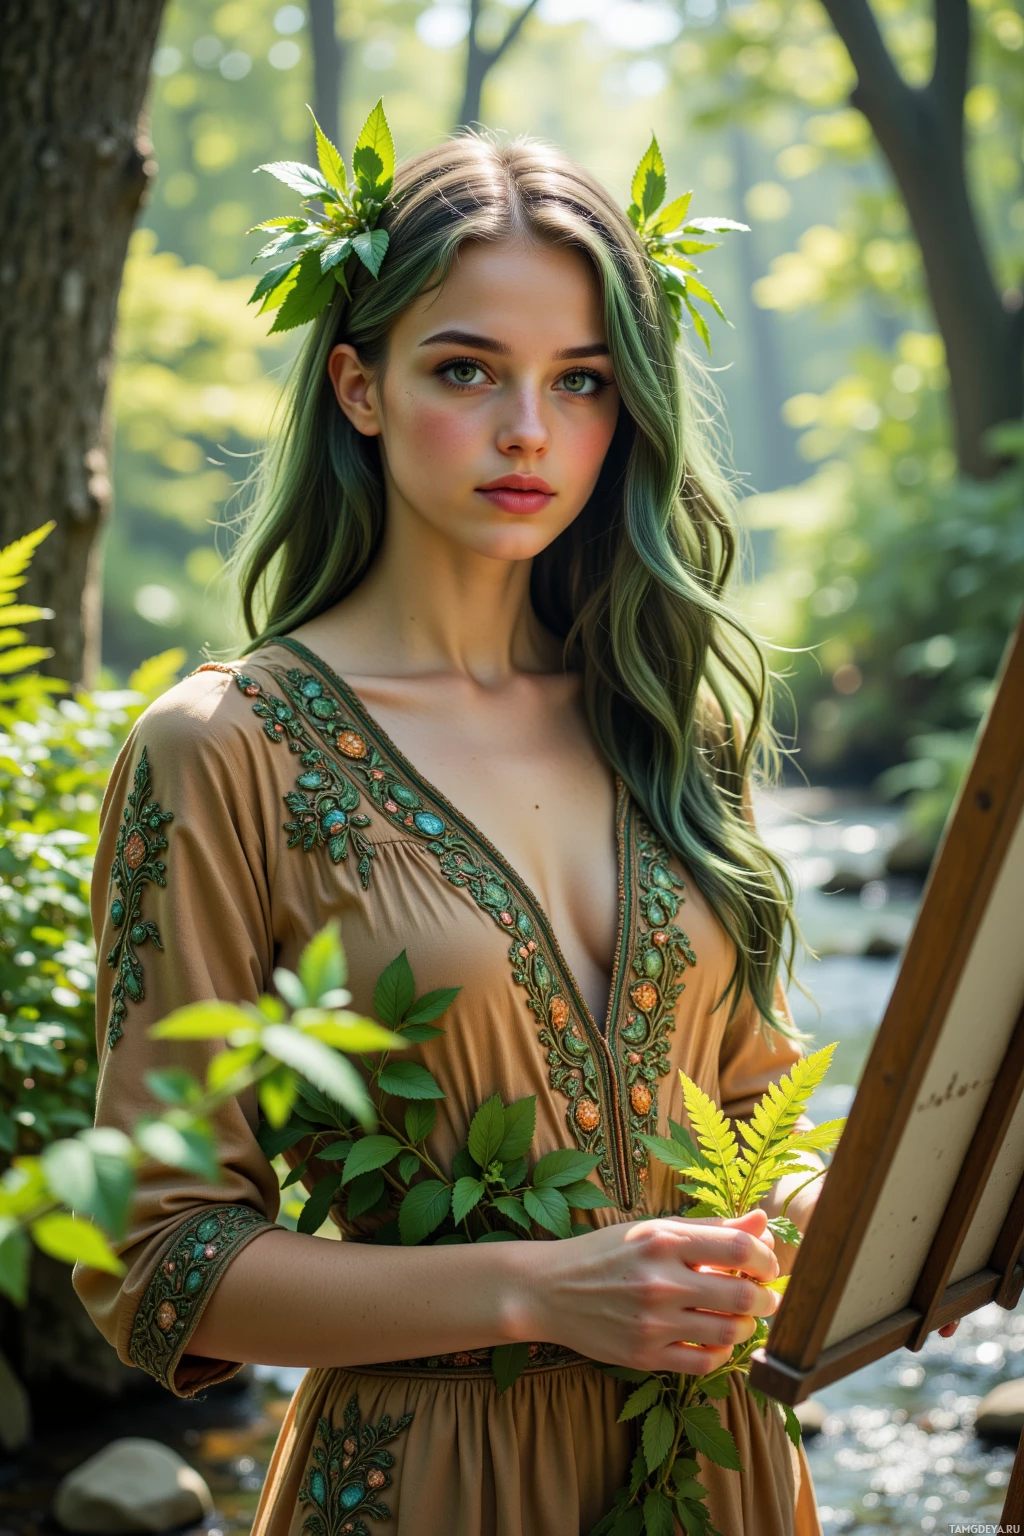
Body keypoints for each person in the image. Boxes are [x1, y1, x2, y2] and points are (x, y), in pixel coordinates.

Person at [76, 130, 831, 1535]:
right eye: (469, 369)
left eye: (582, 380)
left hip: (722, 1469)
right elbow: (157, 1264)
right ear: (359, 387)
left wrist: (814, 1208)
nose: (529, 429)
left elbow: (752, 1110)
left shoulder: (666, 722)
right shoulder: (225, 749)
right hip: (432, 1484)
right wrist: (538, 1289)